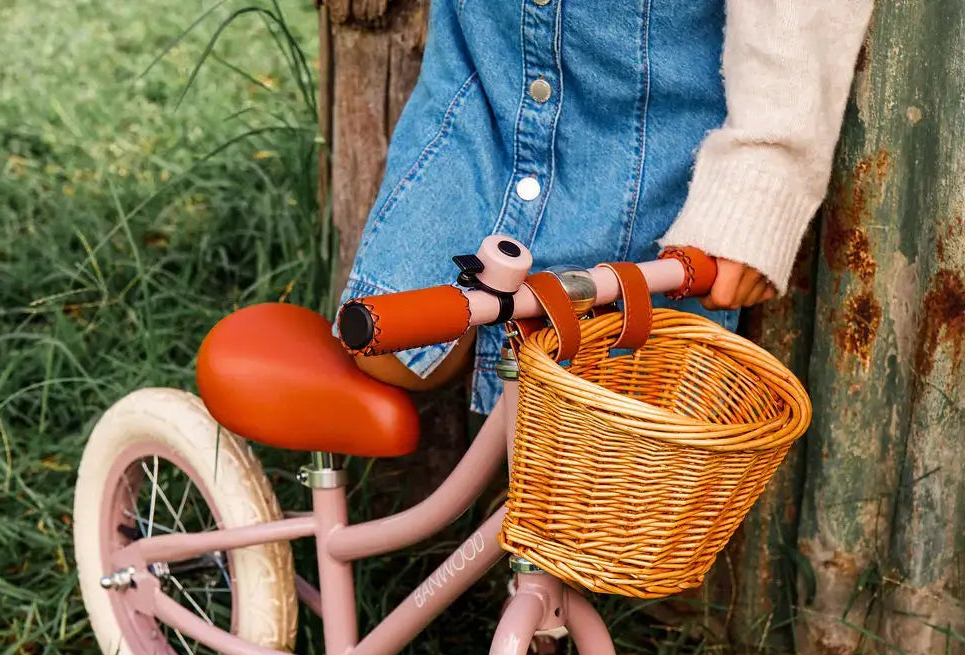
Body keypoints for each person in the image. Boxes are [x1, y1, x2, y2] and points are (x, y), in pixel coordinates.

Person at [338, 1, 875, 411]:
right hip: (482, 97)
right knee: (390, 347)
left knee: (602, 425)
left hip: (636, 145)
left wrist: (763, 178)